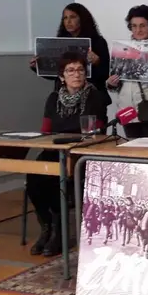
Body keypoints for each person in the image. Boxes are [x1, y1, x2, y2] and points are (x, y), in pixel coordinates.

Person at [28, 52, 107, 257]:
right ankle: (48, 228)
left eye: (80, 70)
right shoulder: (54, 98)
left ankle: (61, 232)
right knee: (34, 178)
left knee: (57, 179)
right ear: (61, 76)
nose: (76, 75)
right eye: (70, 70)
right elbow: (46, 130)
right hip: (55, 150)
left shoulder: (94, 95)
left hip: (82, 154)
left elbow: (96, 131)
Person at [106, 5, 148, 138]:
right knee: (132, 151)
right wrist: (111, 83)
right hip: (127, 110)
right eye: (134, 26)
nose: (138, 30)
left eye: (142, 25)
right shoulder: (122, 48)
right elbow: (117, 83)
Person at [29, 3, 111, 111]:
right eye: (65, 18)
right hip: (65, 99)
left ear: (82, 19)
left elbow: (106, 74)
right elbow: (56, 74)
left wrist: (97, 62)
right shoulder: (58, 43)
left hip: (92, 99)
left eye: (72, 17)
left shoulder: (97, 42)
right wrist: (38, 66)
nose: (68, 21)